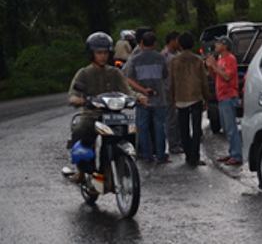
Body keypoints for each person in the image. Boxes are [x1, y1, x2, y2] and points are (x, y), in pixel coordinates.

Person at [68, 32, 147, 183]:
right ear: (91, 54)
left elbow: (127, 91)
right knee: (79, 131)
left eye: (105, 52)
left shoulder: (115, 72)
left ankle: (125, 161)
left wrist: (138, 97)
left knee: (131, 130)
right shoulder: (84, 73)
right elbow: (72, 93)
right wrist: (77, 100)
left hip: (114, 115)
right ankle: (81, 172)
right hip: (91, 115)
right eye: (99, 53)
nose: (103, 56)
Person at [126, 31, 171, 164]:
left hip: (142, 99)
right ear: (155, 43)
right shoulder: (161, 58)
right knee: (159, 127)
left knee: (143, 128)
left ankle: (147, 155)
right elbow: (165, 75)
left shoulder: (135, 59)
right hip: (159, 99)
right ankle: (161, 155)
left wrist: (143, 90)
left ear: (142, 43)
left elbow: (129, 78)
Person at [169, 31, 210, 167]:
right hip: (196, 96)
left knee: (184, 127)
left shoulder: (174, 60)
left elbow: (172, 81)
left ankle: (188, 155)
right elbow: (204, 81)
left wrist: (173, 99)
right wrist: (206, 98)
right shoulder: (198, 60)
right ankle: (195, 156)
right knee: (196, 128)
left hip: (181, 98)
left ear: (180, 44)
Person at [206, 35, 242, 166]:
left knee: (231, 127)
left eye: (219, 43)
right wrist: (211, 67)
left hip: (228, 95)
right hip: (221, 96)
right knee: (226, 128)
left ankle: (237, 155)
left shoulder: (230, 59)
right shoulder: (220, 59)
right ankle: (232, 152)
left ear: (225, 46)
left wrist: (214, 66)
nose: (216, 45)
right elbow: (216, 78)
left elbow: (227, 77)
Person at [161, 30, 183, 154]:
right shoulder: (164, 56)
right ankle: (173, 145)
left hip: (180, 90)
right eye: (177, 40)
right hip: (169, 90)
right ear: (172, 41)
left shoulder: (178, 53)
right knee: (171, 119)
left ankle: (180, 143)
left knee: (179, 117)